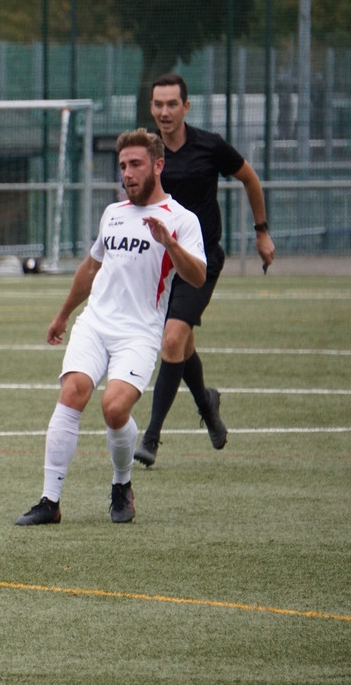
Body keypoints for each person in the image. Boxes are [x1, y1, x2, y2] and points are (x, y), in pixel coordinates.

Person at [14, 129, 207, 526]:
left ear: (158, 165)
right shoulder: (113, 213)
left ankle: (122, 483)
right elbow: (91, 267)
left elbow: (199, 276)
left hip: (139, 332)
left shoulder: (182, 220)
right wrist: (64, 313)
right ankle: (50, 501)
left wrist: (170, 245)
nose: (127, 173)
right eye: (122, 166)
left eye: (135, 164)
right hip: (95, 325)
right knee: (72, 393)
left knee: (114, 409)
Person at [134, 73, 276, 468]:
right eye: (158, 105)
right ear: (151, 107)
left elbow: (249, 178)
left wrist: (261, 233)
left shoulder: (209, 146)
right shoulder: (146, 148)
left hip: (201, 261)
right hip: (161, 264)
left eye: (171, 104)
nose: (164, 112)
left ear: (186, 107)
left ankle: (151, 438)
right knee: (183, 344)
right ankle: (206, 402)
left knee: (172, 340)